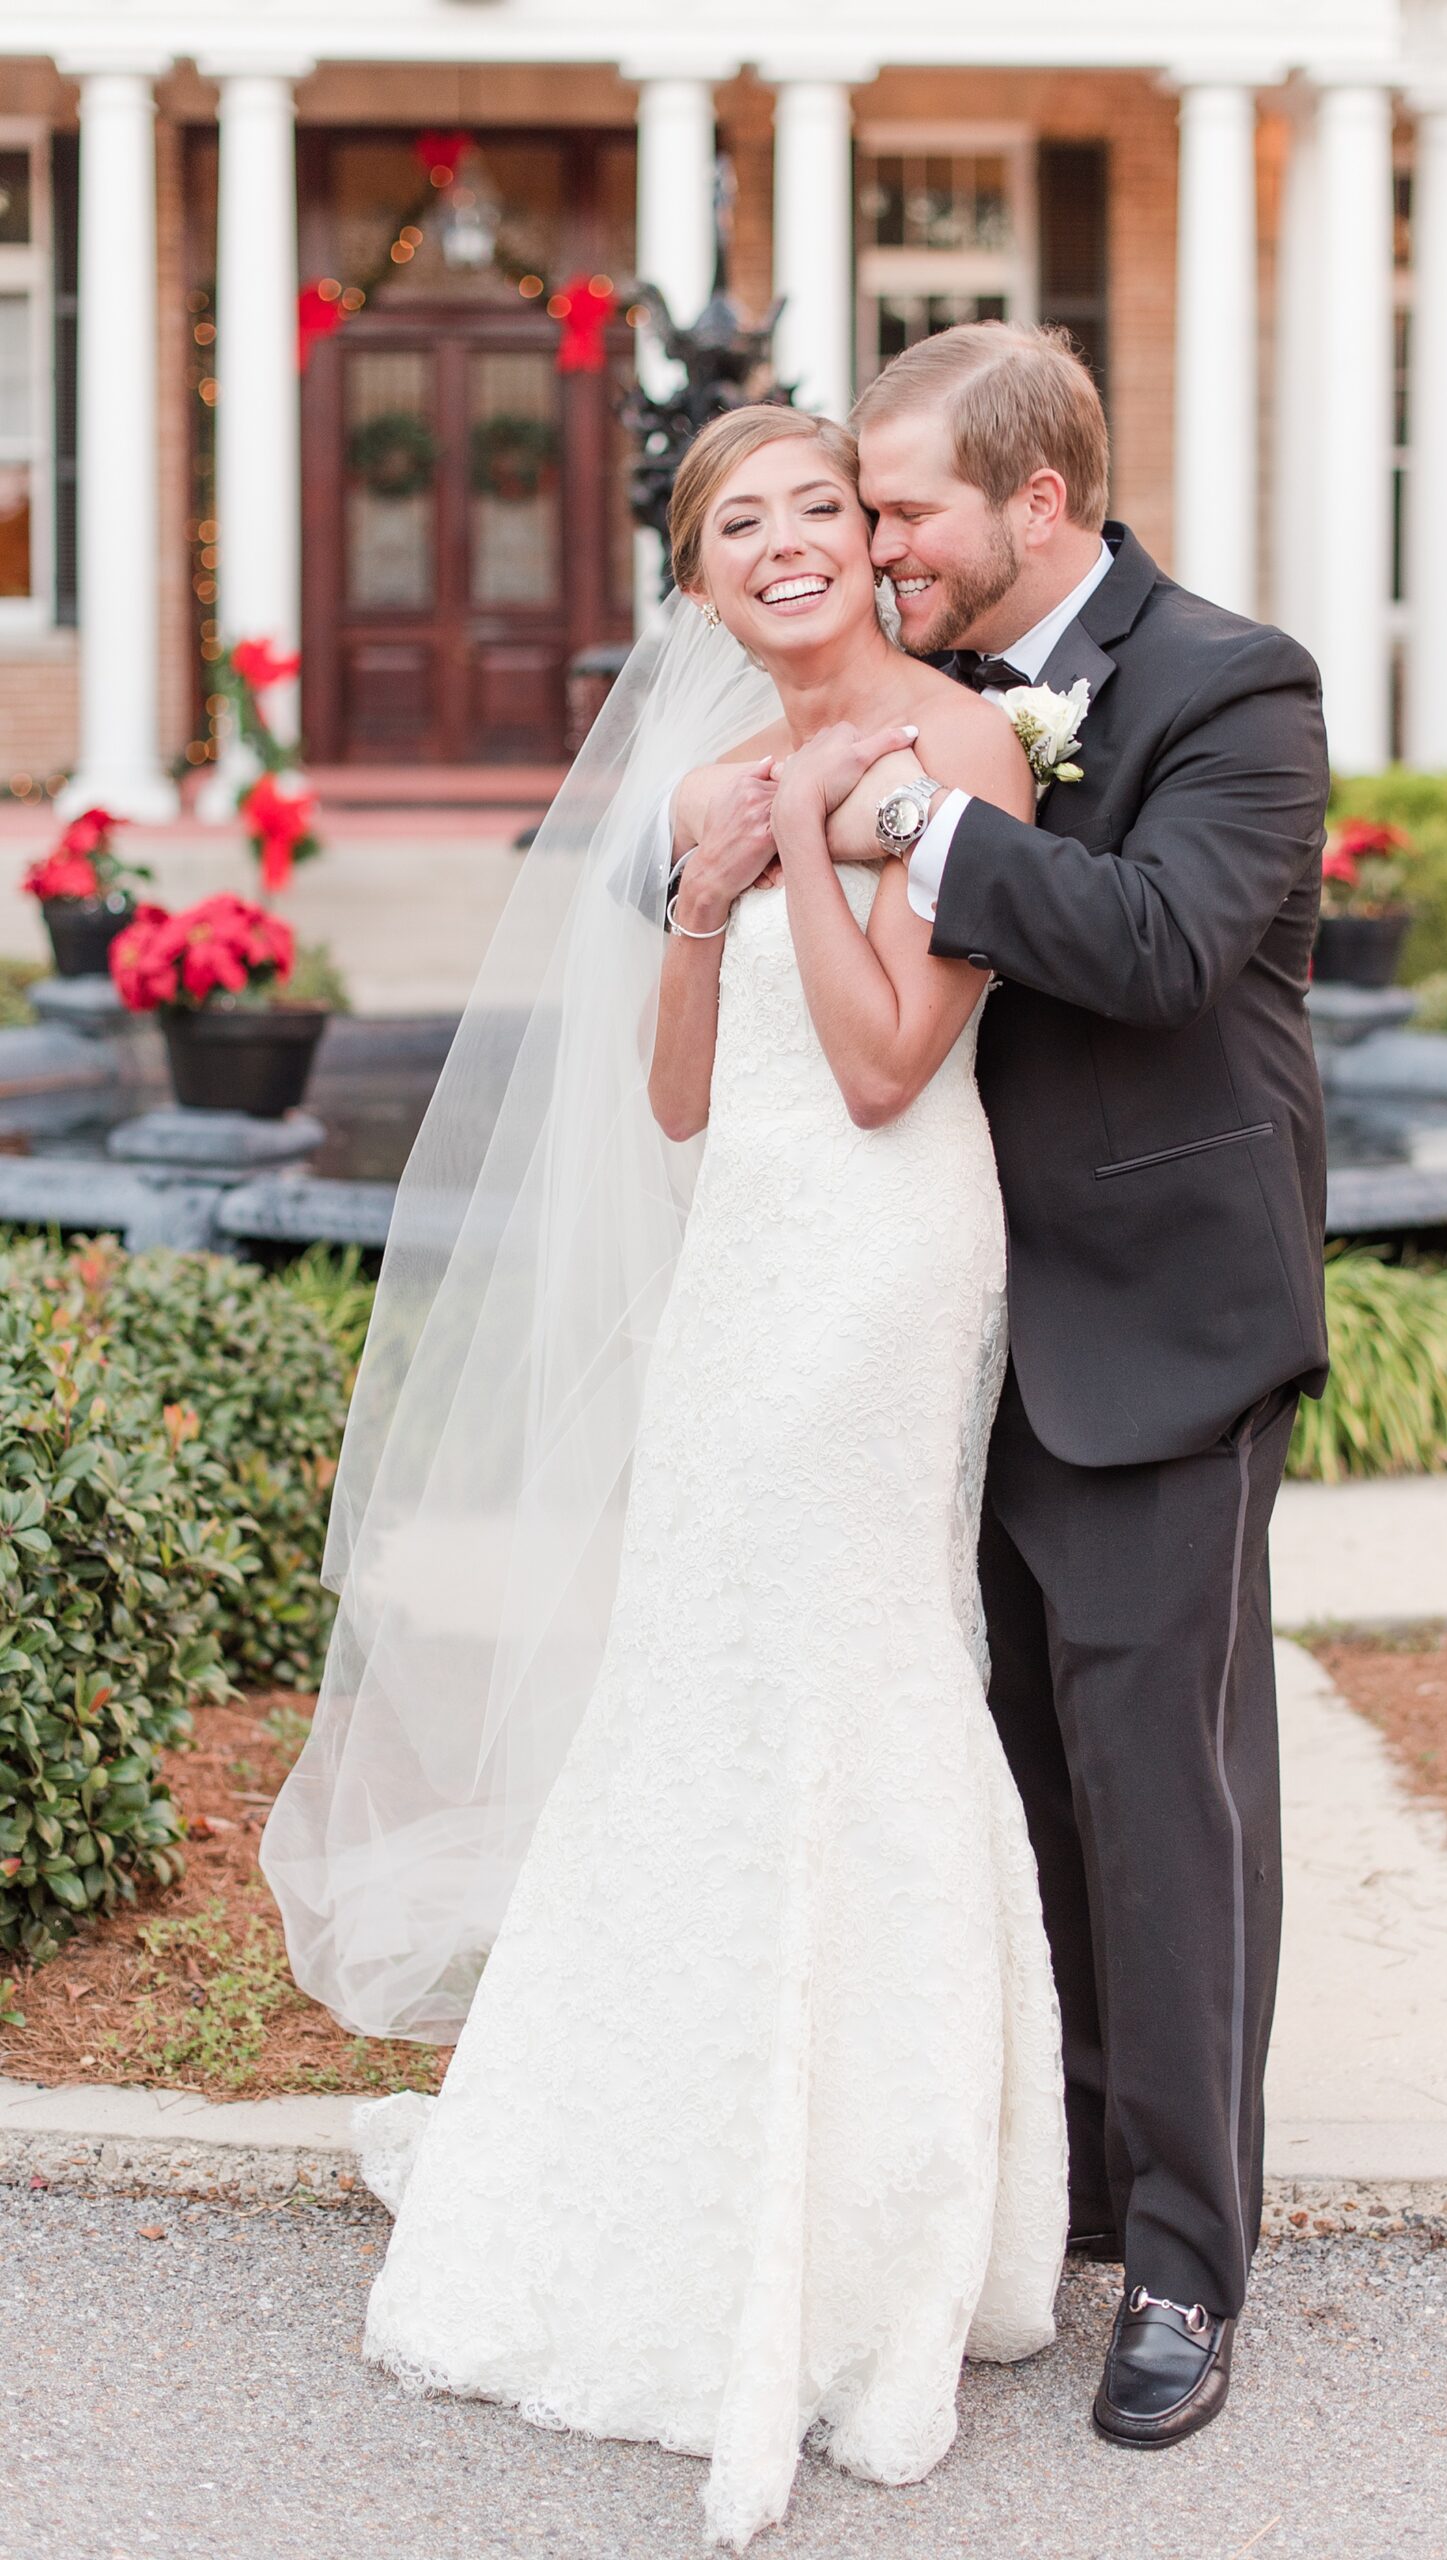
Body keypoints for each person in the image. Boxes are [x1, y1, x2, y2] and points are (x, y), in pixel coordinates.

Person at [262, 404, 1068, 2553]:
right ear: (699, 583)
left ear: (872, 549)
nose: (789, 546)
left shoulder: (965, 752)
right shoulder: (709, 774)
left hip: (890, 1261)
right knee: (702, 1669)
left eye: (822, 509)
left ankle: (881, 2214)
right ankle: (661, 2156)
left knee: (862, 1663)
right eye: (743, 526)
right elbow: (695, 1102)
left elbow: (897, 1068)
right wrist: (708, 892)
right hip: (748, 1260)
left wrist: (809, 835)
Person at [683, 320, 1329, 2446]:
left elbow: (1154, 942)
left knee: (1165, 1796)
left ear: (1035, 500)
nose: (871, 546)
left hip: (1156, 1313)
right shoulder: (920, 701)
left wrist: (912, 822)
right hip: (931, 1315)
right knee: (1013, 1783)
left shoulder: (1237, 685)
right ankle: (1056, 2167)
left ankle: (1185, 2263)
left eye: (900, 509)